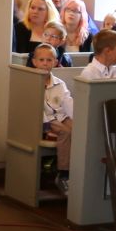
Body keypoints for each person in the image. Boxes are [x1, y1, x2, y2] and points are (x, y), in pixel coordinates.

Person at [31, 42, 73, 176]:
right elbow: (37, 110)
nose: (45, 63)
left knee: (78, 129)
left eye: (49, 60)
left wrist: (77, 118)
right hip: (46, 121)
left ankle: (77, 167)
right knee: (66, 132)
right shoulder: (31, 82)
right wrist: (47, 124)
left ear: (55, 62)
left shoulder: (60, 84)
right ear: (34, 62)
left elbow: (68, 103)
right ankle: (64, 172)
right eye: (41, 60)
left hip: (60, 117)